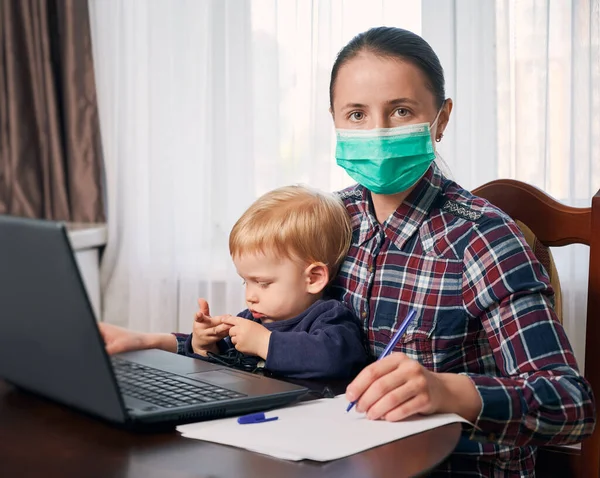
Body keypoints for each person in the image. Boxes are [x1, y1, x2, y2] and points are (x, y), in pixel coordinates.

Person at [99, 26, 595, 476]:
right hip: (335, 460)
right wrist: (156, 342)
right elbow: (270, 328)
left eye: (401, 111)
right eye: (356, 114)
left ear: (441, 119)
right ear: (334, 121)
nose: (376, 131)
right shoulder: (329, 219)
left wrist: (449, 391)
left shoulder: (485, 240)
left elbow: (571, 407)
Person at [101, 185, 368, 380]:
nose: (251, 296)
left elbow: (335, 359)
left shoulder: (329, 318)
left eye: (263, 283)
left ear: (314, 278)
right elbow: (222, 365)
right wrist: (206, 344)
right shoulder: (252, 319)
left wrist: (265, 342)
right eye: (245, 283)